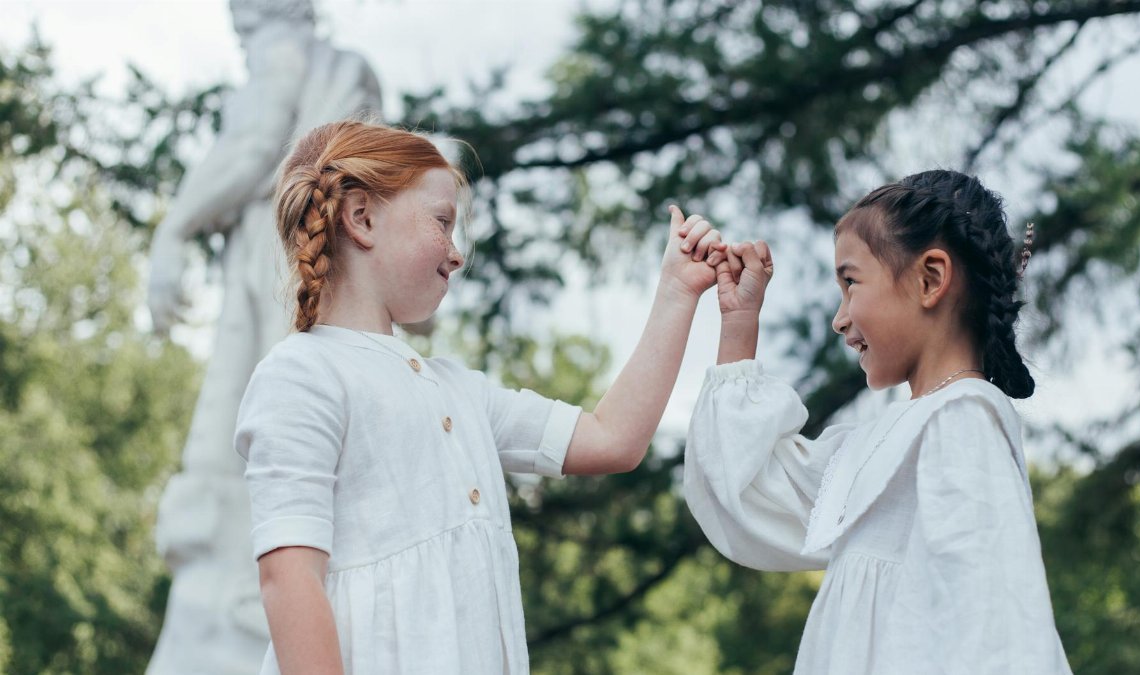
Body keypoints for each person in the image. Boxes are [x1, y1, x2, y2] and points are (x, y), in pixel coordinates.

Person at [234, 119, 728, 674]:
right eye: (442, 222)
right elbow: (289, 576)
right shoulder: (302, 373)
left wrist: (677, 291)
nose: (456, 253)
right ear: (362, 216)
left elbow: (613, 439)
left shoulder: (460, 392)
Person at [684, 170, 1072, 674]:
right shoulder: (883, 443)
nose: (839, 318)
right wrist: (739, 322)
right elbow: (746, 490)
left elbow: (994, 626)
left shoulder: (962, 422)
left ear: (930, 279)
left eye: (850, 282)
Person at [145, 1, 385, 672]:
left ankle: (242, 618)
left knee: (248, 446)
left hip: (276, 265)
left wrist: (174, 229)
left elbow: (255, 143)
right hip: (332, 277)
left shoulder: (282, 50)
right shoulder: (350, 69)